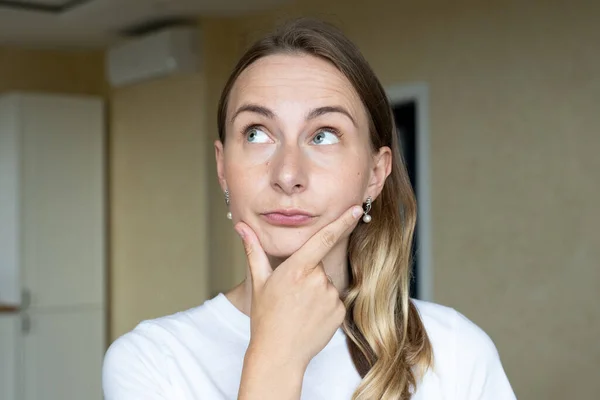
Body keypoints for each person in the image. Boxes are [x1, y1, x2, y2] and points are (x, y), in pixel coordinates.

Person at [102, 18, 516, 400]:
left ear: (375, 173)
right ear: (223, 168)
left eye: (323, 136)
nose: (287, 174)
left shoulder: (455, 351)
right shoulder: (152, 362)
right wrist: (275, 357)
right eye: (257, 133)